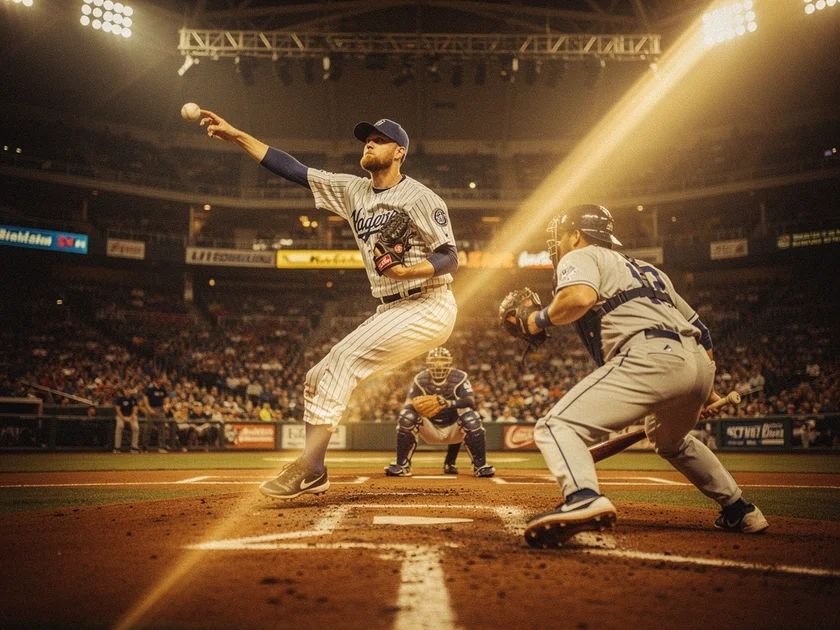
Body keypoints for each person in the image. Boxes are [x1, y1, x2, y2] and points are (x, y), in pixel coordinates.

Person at [199, 111, 459, 499]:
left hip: (429, 302)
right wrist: (237, 135)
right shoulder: (352, 190)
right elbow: (292, 168)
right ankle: (315, 469)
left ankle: (309, 468)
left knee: (342, 360)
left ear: (399, 152)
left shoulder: (420, 197)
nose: (369, 143)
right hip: (391, 308)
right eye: (367, 138)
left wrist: (407, 271)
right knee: (317, 376)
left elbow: (450, 256)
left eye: (380, 140)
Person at [512, 204, 767, 548]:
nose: (558, 245)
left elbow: (580, 297)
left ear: (575, 235)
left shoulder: (581, 254)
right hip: (695, 363)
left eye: (561, 237)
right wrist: (702, 391)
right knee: (670, 441)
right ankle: (740, 509)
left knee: (556, 425)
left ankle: (583, 497)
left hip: (650, 355)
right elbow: (702, 333)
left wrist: (536, 320)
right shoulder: (649, 270)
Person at [384, 347, 495, 478]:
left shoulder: (459, 377)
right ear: (429, 362)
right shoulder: (420, 378)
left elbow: (470, 401)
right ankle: (402, 466)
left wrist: (448, 403)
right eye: (435, 361)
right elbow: (407, 404)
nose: (438, 364)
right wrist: (418, 406)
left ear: (449, 362)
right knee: (406, 416)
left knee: (471, 418)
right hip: (430, 427)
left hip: (454, 428)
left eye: (442, 360)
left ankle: (480, 466)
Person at [142, 376, 169, 453]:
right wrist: (149, 409)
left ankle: (162, 447)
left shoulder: (162, 389)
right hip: (151, 408)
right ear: (155, 381)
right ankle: (145, 447)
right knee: (148, 428)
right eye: (159, 380)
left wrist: (166, 406)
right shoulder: (150, 389)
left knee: (162, 428)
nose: (160, 381)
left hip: (160, 409)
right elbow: (145, 399)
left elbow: (166, 399)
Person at [113, 385, 140, 454]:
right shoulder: (120, 399)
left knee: (136, 427)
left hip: (131, 416)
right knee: (120, 426)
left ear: (131, 390)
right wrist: (123, 418)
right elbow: (118, 410)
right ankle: (117, 447)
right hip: (121, 416)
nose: (127, 391)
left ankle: (134, 447)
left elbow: (135, 410)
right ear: (124, 391)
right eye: (126, 389)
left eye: (129, 389)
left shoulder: (133, 399)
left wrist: (131, 418)